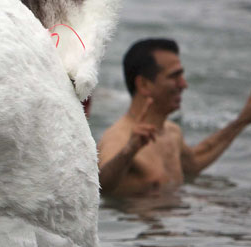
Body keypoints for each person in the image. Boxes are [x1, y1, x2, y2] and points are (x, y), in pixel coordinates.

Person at [98, 38, 251, 197]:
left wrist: (242, 120)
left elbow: (195, 162)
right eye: (174, 76)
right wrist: (129, 151)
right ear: (143, 84)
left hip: (180, 219)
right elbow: (100, 187)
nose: (184, 84)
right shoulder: (119, 138)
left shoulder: (172, 132)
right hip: (137, 221)